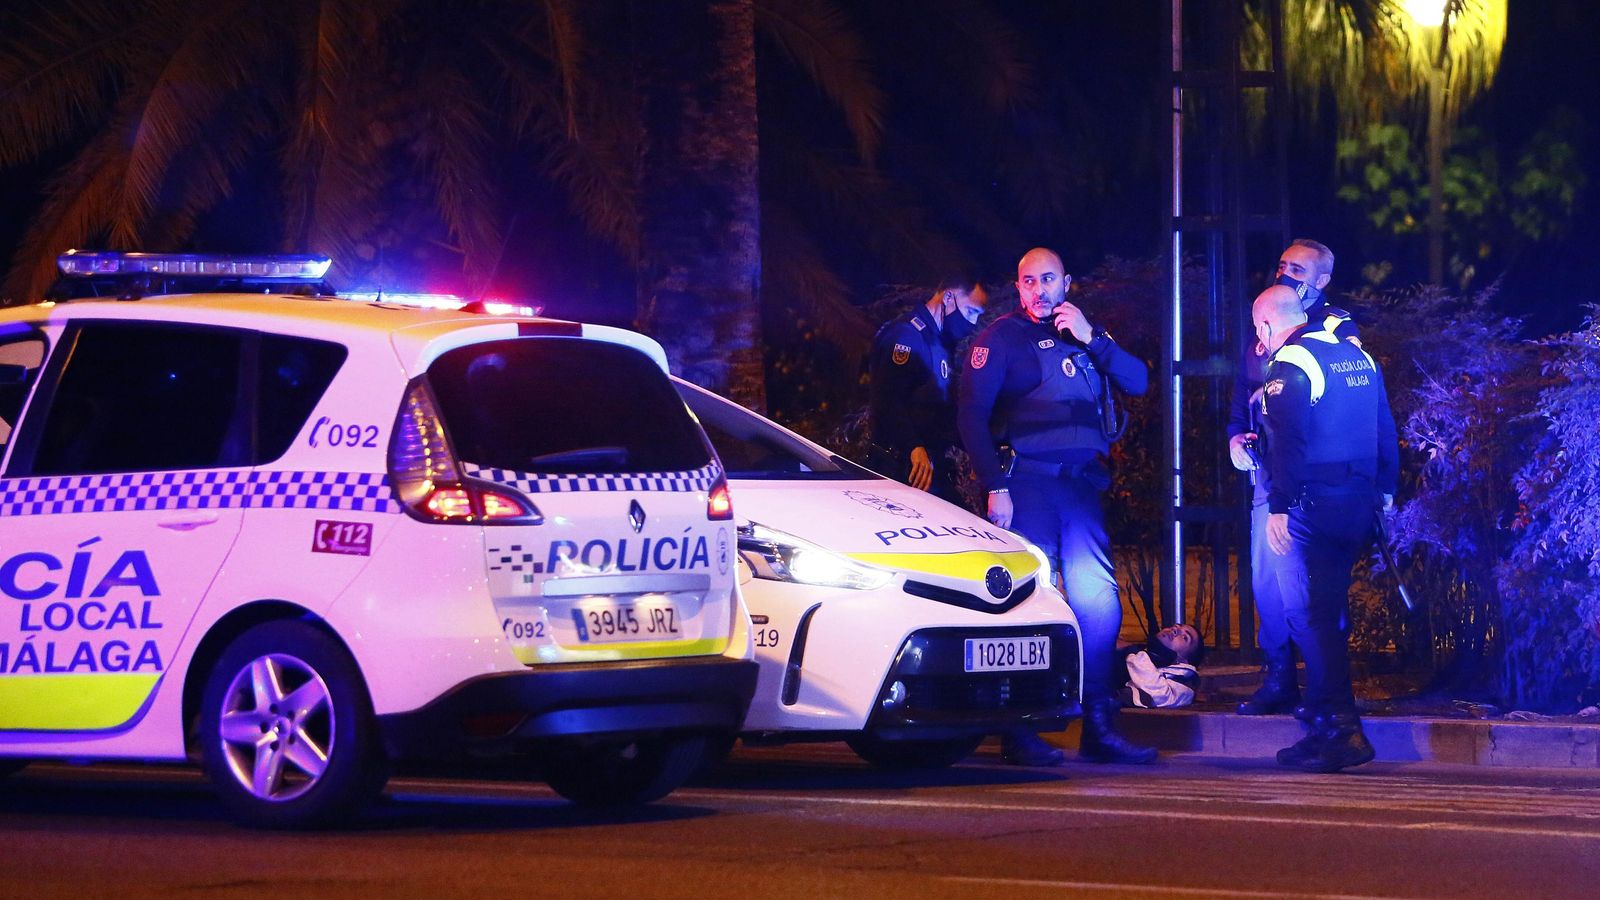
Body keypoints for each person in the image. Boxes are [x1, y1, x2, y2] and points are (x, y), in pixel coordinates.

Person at [958, 247, 1156, 766]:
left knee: (1099, 605)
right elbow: (971, 415)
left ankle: (1099, 726)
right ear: (1017, 286)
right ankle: (1019, 729)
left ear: (1066, 281)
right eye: (1028, 281)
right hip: (1030, 487)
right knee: (1027, 606)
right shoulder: (1002, 337)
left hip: (1081, 490)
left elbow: (1138, 382)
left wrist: (1095, 338)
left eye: (1048, 279)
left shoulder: (1086, 333)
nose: (1039, 290)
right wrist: (994, 484)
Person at [1252, 284, 1398, 772]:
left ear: (1268, 325)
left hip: (1311, 508)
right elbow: (1384, 426)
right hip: (1358, 504)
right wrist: (1386, 490)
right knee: (1328, 617)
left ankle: (1338, 731)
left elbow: (1288, 443)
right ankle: (1324, 720)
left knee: (1309, 618)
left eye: (1260, 331)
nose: (1261, 341)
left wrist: (1277, 506)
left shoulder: (1291, 362)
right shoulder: (1357, 356)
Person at [1226, 239, 1360, 717]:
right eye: (1282, 266)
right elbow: (1242, 396)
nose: (1287, 276)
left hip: (1316, 484)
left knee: (1316, 592)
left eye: (1299, 270)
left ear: (1322, 282)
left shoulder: (1335, 328)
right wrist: (1236, 437)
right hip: (1270, 477)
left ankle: (1327, 695)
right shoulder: (1262, 332)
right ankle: (1280, 677)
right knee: (1268, 583)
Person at [868, 273, 988, 506]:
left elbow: (940, 411)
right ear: (948, 297)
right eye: (971, 312)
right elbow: (887, 401)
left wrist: (974, 450)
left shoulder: (940, 342)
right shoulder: (908, 336)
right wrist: (913, 446)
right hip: (902, 468)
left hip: (928, 466)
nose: (972, 323)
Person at [1115, 623, 1205, 709]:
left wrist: (1132, 651)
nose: (1175, 629)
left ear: (1184, 661)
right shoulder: (1145, 657)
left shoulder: (1184, 685)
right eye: (1175, 626)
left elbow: (1160, 695)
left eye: (1185, 637)